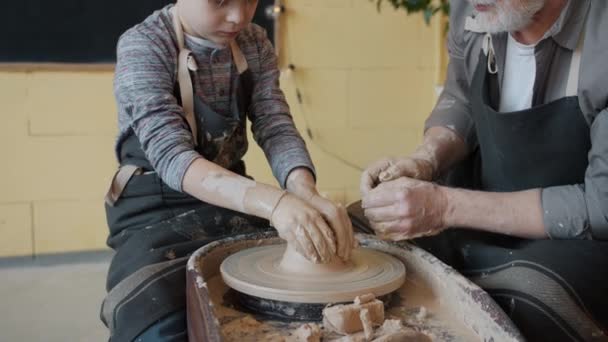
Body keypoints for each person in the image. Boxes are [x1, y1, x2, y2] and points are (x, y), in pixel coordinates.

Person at [101, 0, 354, 340]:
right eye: (220, 0)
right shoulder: (144, 45)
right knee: (158, 317)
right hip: (151, 211)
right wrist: (275, 204)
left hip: (230, 200)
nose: (238, 16)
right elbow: (172, 156)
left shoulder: (254, 43)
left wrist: (304, 192)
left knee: (278, 301)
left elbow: (275, 126)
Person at [360, 0, 608, 340]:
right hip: (483, 215)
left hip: (581, 242)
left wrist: (443, 207)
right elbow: (461, 97)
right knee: (361, 233)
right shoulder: (476, 8)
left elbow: (600, 206)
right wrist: (425, 160)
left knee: (528, 300)